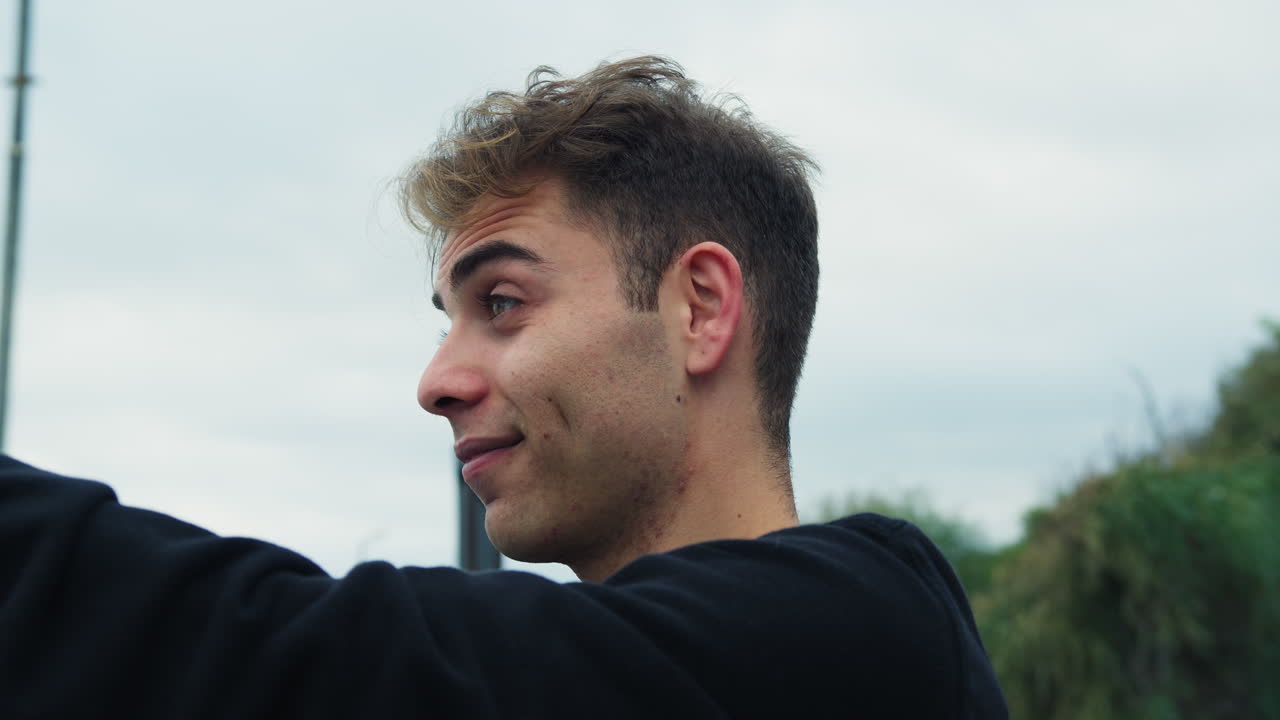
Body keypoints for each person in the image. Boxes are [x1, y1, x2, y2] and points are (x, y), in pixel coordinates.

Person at [0, 57, 1007, 718]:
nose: (437, 382)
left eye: (504, 303)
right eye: (448, 320)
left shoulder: (864, 639)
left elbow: (309, 665)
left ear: (699, 309)